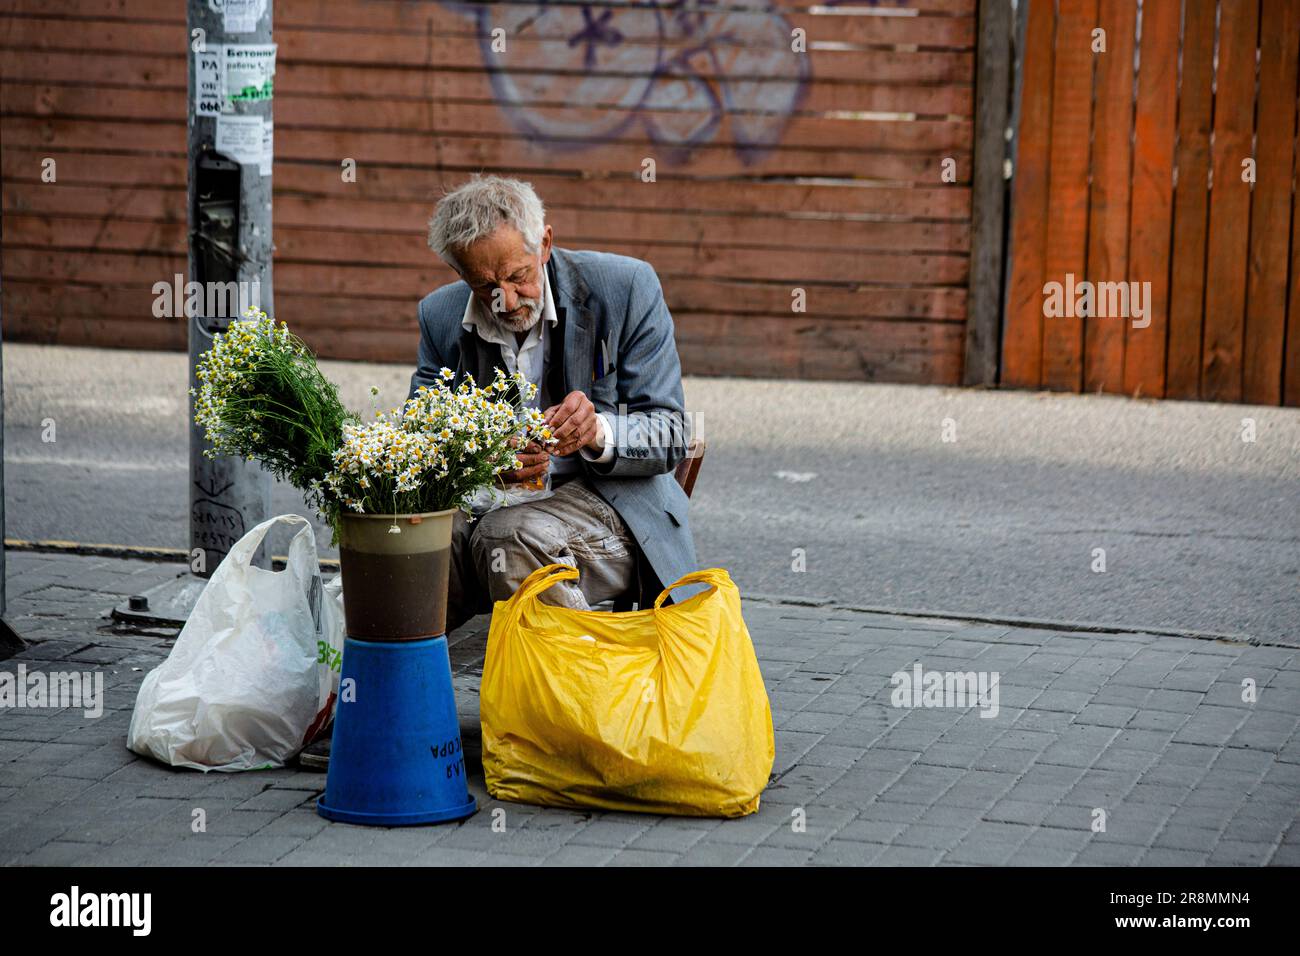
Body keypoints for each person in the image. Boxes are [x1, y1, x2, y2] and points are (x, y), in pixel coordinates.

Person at [300, 175, 698, 770]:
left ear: (545, 243)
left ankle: (581, 726)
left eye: (517, 277)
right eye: (484, 286)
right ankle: (379, 716)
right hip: (499, 506)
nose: (506, 301)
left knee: (504, 539)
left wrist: (599, 433)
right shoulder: (440, 317)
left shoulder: (624, 287)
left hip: (613, 513)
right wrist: (485, 458)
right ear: (460, 273)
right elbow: (422, 442)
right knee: (402, 539)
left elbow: (671, 430)